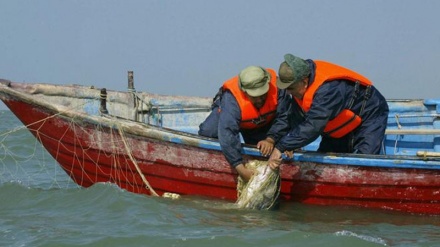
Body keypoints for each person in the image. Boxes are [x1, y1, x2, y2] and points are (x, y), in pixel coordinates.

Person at [268, 54, 389, 170]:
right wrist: (291, 144)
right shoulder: (299, 89)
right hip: (338, 122)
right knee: (324, 163)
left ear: (305, 82)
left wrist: (281, 147)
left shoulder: (327, 90)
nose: (288, 92)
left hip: (369, 113)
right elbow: (296, 118)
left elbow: (313, 125)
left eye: (290, 88)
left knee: (363, 162)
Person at [199, 66, 292, 181]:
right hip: (234, 118)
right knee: (208, 131)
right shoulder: (231, 99)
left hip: (263, 122)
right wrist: (241, 169)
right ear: (244, 91)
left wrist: (271, 139)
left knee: (275, 146)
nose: (259, 100)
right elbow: (228, 132)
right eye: (254, 96)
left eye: (262, 95)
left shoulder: (278, 89)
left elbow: (285, 117)